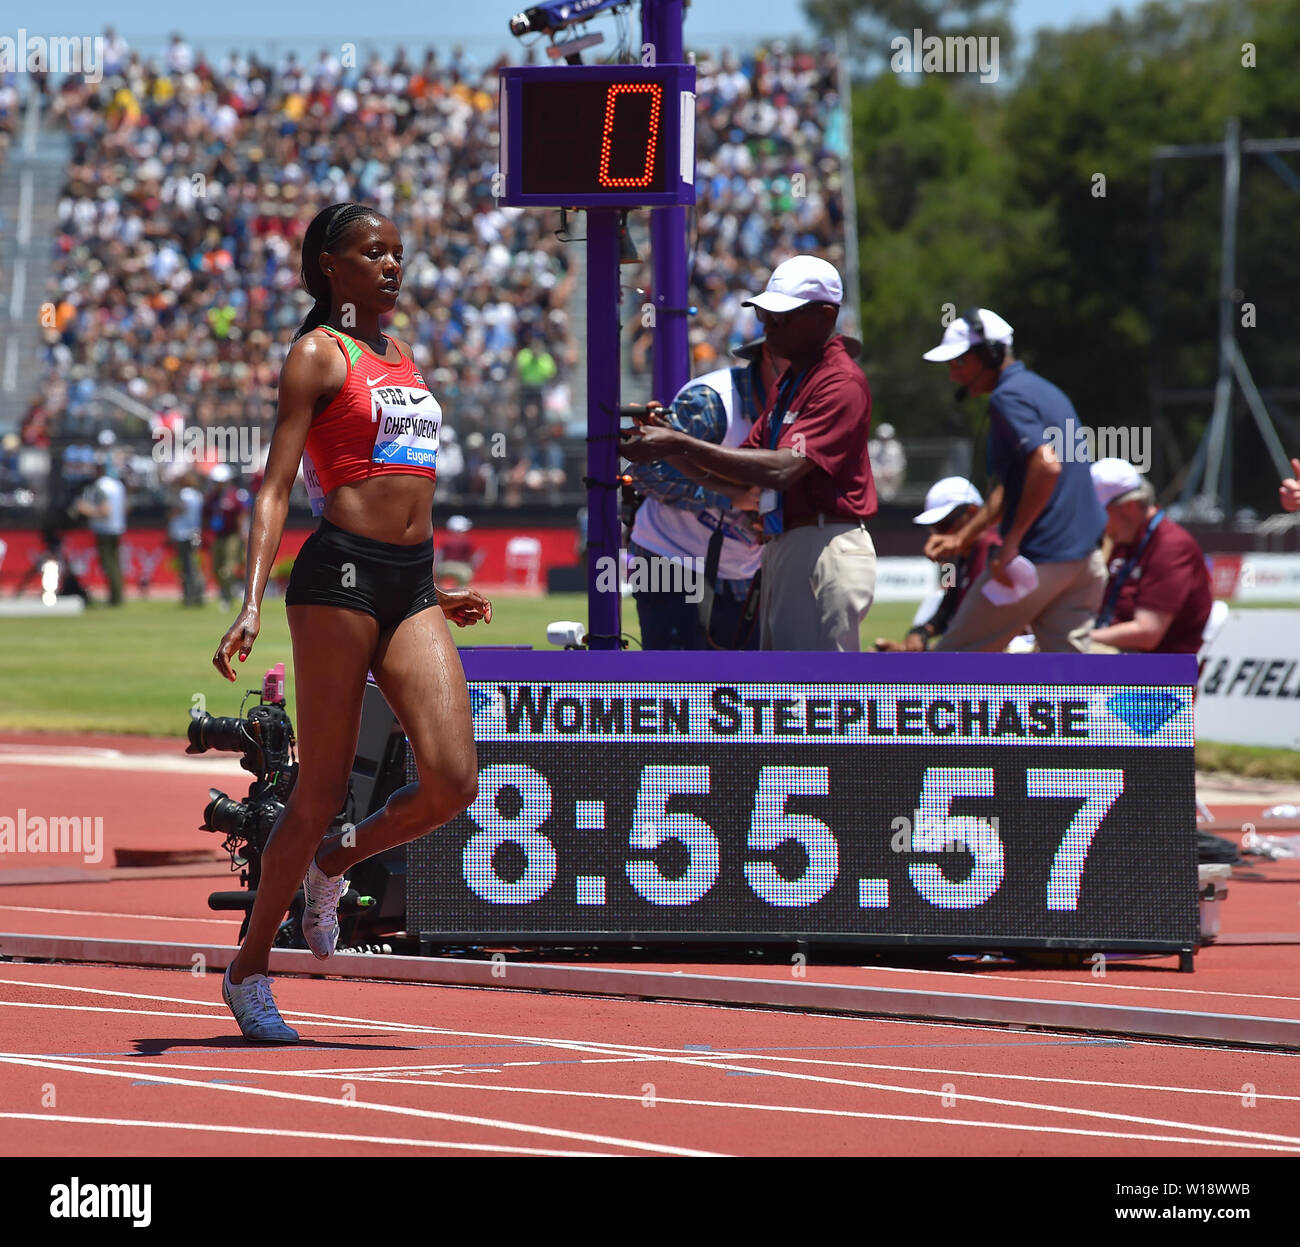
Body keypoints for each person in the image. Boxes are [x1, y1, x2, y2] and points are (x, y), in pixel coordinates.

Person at [211, 201, 491, 1042]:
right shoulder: (316, 356)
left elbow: (408, 487)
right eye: (374, 254)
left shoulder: (401, 357)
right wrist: (252, 599)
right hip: (334, 577)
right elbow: (275, 487)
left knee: (452, 780)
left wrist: (434, 590)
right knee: (321, 786)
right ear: (331, 266)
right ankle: (249, 967)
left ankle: (339, 859)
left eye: (398, 253)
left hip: (409, 581)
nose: (392, 267)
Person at [621, 255, 877, 651]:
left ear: (826, 317)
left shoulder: (839, 382)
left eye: (782, 318)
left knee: (814, 687)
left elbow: (780, 470)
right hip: (693, 555)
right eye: (765, 315)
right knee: (768, 685)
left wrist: (678, 444)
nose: (767, 329)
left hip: (820, 541)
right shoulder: (785, 384)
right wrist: (669, 445)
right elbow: (736, 472)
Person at [920, 308, 1107, 652]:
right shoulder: (1046, 391)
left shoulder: (1008, 397)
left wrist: (1011, 544)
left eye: (958, 363)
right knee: (1067, 682)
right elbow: (1014, 486)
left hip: (1039, 557)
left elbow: (1046, 467)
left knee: (951, 663)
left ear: (989, 355)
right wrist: (963, 536)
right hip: (1086, 561)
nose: (953, 375)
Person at [623, 336, 793, 650]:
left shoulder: (802, 407)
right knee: (676, 683)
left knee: (740, 687)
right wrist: (730, 496)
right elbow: (646, 473)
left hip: (742, 569)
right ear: (769, 356)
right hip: (667, 556)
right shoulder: (711, 401)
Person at [1088, 458, 1212, 654]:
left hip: (1158, 673)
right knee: (1042, 654)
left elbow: (1147, 633)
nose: (1096, 522)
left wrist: (1081, 636)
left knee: (1055, 658)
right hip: (1122, 656)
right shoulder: (1124, 540)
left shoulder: (1171, 546)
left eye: (1100, 513)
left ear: (1128, 507)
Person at [876, 476, 1000, 651]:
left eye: (943, 525)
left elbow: (982, 626)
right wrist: (920, 632)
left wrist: (923, 654)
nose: (937, 536)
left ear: (972, 512)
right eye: (933, 528)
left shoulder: (991, 550)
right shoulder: (954, 562)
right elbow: (947, 608)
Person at [77, 456, 126, 606]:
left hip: (104, 529)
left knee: (109, 564)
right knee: (116, 563)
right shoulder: (118, 485)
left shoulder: (99, 486)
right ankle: (118, 595)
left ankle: (115, 597)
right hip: (117, 527)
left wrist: (84, 509)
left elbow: (105, 510)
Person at [204, 464, 250, 609]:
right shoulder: (211, 497)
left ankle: (228, 596)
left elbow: (242, 515)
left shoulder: (235, 495)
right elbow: (206, 516)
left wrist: (243, 535)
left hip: (232, 536)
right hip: (218, 536)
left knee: (228, 568)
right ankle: (226, 591)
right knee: (216, 569)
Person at [166, 468, 206, 607]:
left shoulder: (184, 495)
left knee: (187, 567)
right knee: (194, 566)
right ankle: (198, 594)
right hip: (194, 532)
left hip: (183, 533)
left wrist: (171, 514)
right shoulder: (197, 495)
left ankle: (190, 596)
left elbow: (180, 509)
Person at [436, 514, 482, 587]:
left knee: (437, 583)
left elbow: (439, 556)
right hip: (461, 569)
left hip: (444, 567)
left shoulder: (445, 540)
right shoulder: (466, 541)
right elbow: (471, 559)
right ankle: (459, 593)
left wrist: (437, 569)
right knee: (463, 586)